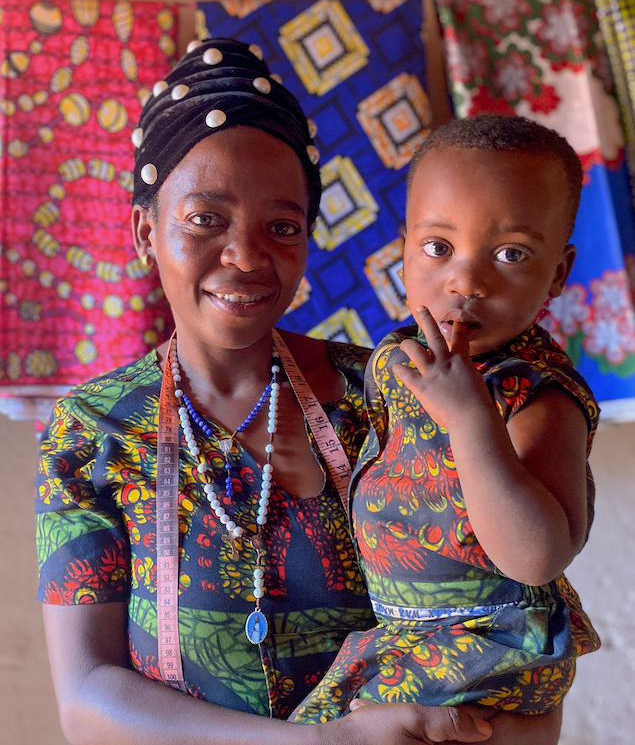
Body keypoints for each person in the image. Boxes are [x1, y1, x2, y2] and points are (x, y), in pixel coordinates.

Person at [35, 38, 499, 745]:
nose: (247, 256)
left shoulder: (391, 394)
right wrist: (321, 743)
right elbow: (86, 698)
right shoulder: (92, 429)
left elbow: (483, 611)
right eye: (205, 218)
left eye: (280, 226)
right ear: (143, 232)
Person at [291, 116, 601, 744]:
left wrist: (470, 420)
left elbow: (537, 556)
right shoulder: (399, 360)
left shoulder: (534, 394)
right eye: (438, 247)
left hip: (489, 647)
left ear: (559, 273)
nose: (467, 281)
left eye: (511, 254)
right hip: (407, 638)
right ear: (402, 249)